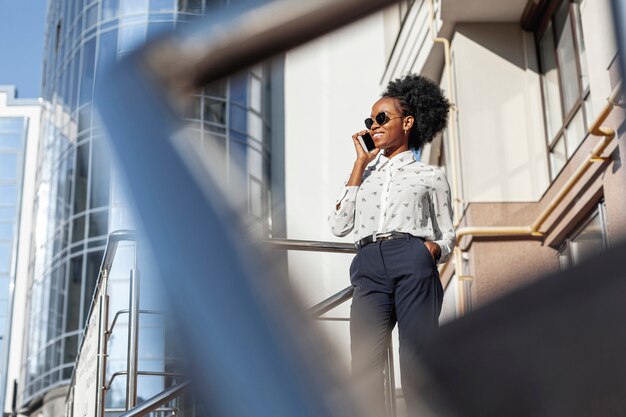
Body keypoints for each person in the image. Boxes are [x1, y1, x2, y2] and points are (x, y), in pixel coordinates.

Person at [328, 74, 455, 417]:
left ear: (408, 122)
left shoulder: (431, 176)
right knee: (364, 367)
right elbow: (339, 226)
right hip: (368, 264)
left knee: (417, 360)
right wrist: (359, 164)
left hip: (412, 259)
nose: (374, 127)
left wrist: (431, 250)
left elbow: (448, 234)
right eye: (370, 122)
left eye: (382, 118)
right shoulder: (364, 176)